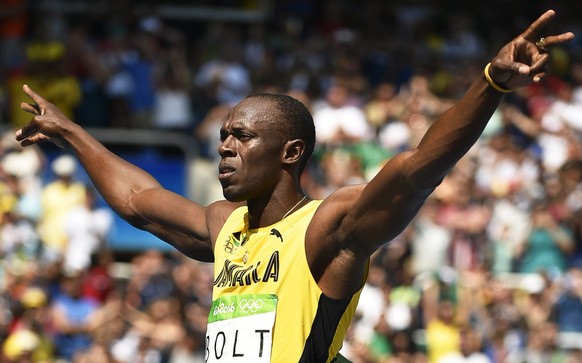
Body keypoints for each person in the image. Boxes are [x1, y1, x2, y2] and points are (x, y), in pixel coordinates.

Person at [14, 10, 574, 363]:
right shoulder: (224, 227)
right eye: (223, 136)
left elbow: (419, 165)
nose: (224, 146)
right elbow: (137, 202)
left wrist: (490, 84)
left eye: (241, 136)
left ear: (290, 153)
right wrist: (69, 131)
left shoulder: (328, 227)